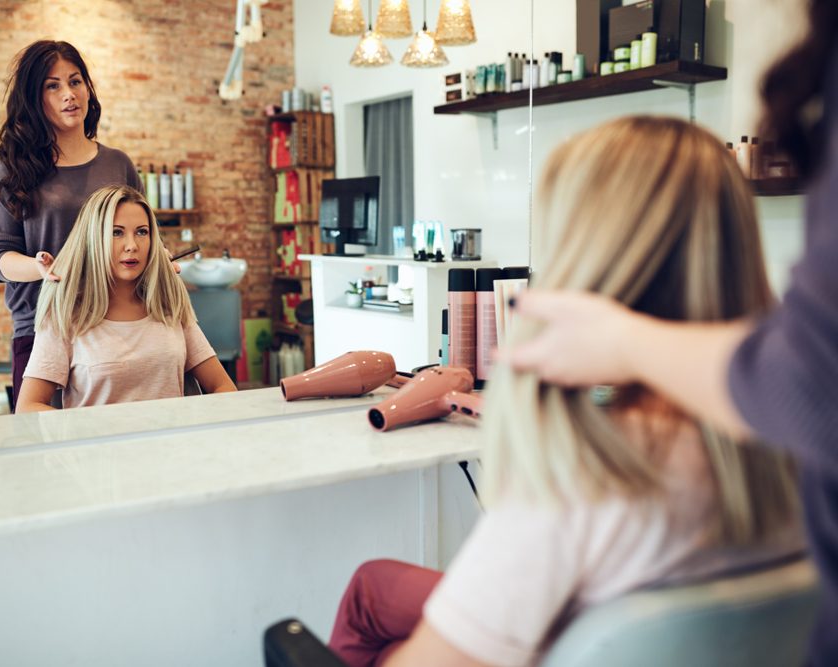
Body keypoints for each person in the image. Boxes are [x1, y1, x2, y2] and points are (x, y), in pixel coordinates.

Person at [327, 117, 804, 667]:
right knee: (377, 586)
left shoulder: (589, 477)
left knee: (377, 622)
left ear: (587, 257)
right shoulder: (798, 434)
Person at [507, 4, 838, 664]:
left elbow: (813, 379)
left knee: (375, 595)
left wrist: (623, 344)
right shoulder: (781, 467)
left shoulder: (586, 481)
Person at [0, 40, 143, 404]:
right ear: (35, 99)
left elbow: (140, 234)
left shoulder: (118, 164)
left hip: (114, 326)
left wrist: (157, 258)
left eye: (75, 81)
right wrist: (40, 268)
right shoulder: (12, 167)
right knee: (42, 448)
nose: (69, 94)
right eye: (53, 86)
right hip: (42, 329)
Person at [15, 185, 235, 412]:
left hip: (173, 445)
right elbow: (28, 407)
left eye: (142, 232)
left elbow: (222, 386)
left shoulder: (168, 305)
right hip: (100, 447)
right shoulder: (66, 314)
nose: (132, 246)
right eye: (116, 232)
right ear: (93, 238)